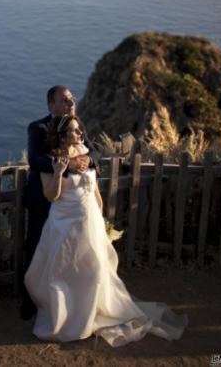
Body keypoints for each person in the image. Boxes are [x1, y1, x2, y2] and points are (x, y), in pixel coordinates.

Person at [23, 114, 188, 346]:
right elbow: (51, 195)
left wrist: (101, 220)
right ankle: (69, 320)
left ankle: (91, 313)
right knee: (65, 272)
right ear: (61, 137)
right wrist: (59, 172)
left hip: (89, 221)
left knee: (94, 269)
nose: (80, 134)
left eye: (80, 130)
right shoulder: (50, 160)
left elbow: (94, 190)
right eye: (74, 131)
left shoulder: (85, 155)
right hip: (64, 224)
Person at [19, 85, 99, 321]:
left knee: (67, 254)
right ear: (51, 105)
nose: (70, 102)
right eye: (64, 100)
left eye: (71, 99)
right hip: (43, 200)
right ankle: (29, 301)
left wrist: (85, 160)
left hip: (72, 204)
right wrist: (66, 164)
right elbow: (35, 160)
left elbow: (95, 153)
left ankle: (65, 300)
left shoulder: (77, 125)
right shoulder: (38, 128)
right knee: (36, 248)